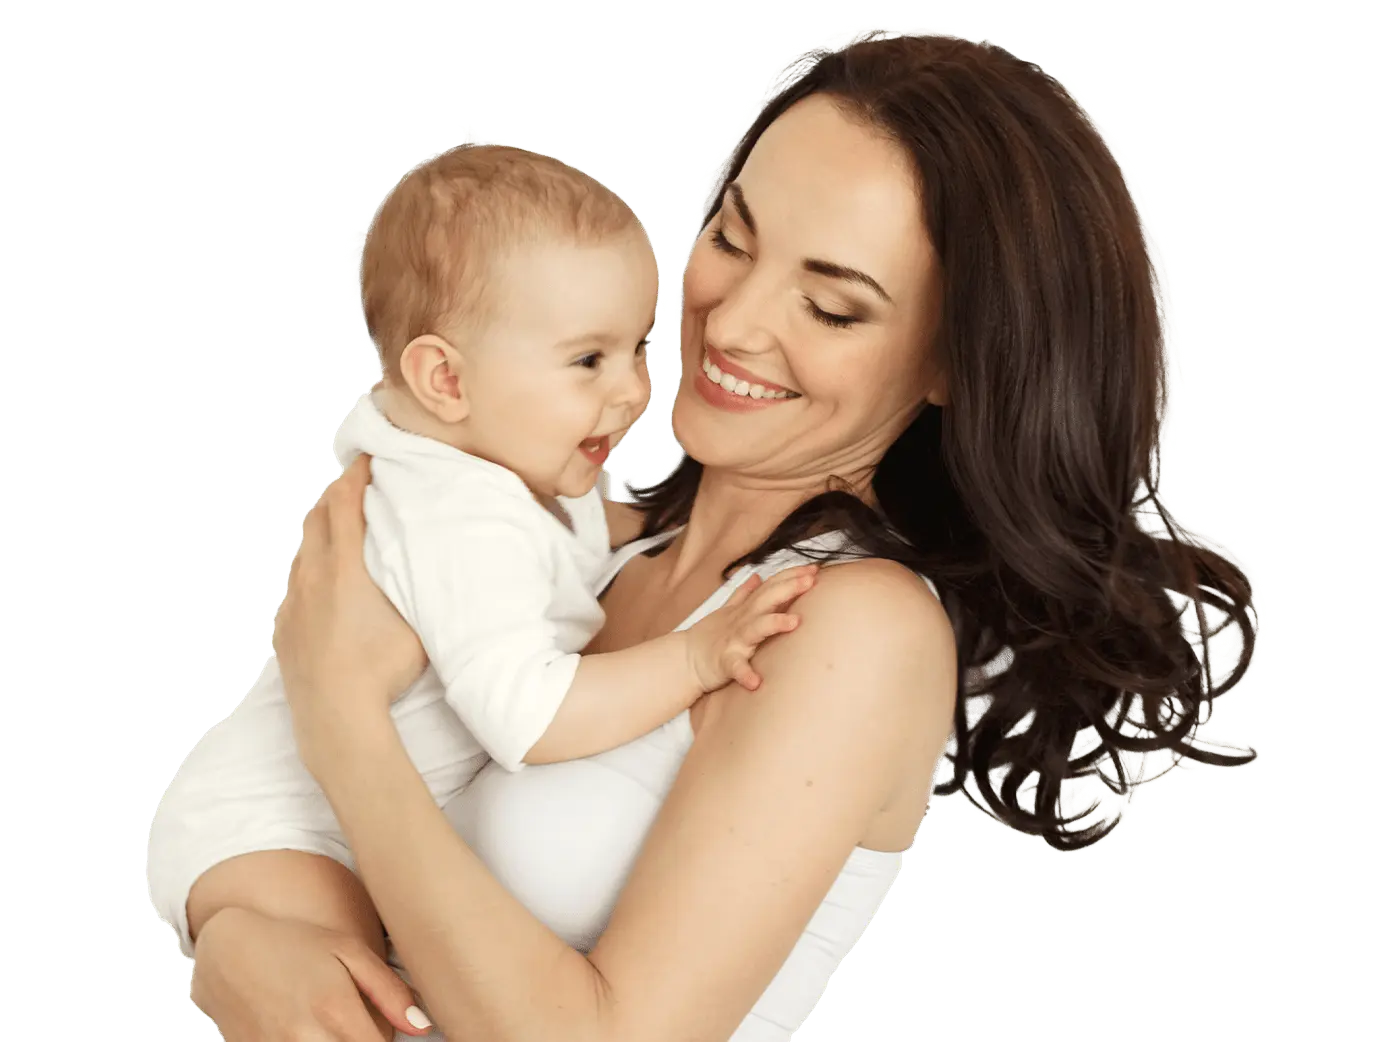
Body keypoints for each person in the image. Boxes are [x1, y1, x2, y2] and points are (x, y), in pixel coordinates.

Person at [146, 26, 1260, 1042]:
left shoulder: (845, 623)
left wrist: (346, 724)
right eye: (731, 238)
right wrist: (231, 937)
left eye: (830, 306)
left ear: (950, 364)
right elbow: (286, 809)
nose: (730, 320)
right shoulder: (573, 538)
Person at [144, 142, 821, 991]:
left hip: (322, 816)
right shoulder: (459, 514)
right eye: (588, 360)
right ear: (445, 380)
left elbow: (592, 534)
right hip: (276, 830)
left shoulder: (506, 462)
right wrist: (692, 657)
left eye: (639, 349)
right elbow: (527, 718)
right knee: (367, 998)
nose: (632, 392)